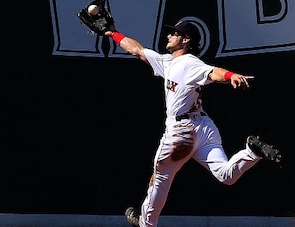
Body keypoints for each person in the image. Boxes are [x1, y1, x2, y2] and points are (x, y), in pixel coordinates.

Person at [104, 20, 281, 227]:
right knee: (226, 175)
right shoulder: (167, 62)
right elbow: (138, 50)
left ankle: (146, 224)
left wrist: (231, 75)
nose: (169, 36)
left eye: (174, 33)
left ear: (185, 40)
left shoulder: (189, 62)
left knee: (160, 178)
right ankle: (252, 152)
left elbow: (213, 72)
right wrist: (113, 33)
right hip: (203, 128)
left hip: (182, 133)